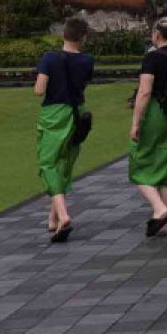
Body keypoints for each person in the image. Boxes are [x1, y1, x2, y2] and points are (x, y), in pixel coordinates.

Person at [34, 17, 94, 243]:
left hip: (54, 112)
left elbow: (39, 90)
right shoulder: (88, 60)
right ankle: (54, 218)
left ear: (63, 35)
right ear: (83, 37)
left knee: (48, 162)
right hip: (77, 111)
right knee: (65, 162)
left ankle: (65, 215)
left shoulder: (50, 58)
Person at [129, 18, 167, 238]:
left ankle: (160, 208)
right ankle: (160, 221)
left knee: (139, 162)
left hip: (157, 112)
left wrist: (136, 122)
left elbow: (144, 92)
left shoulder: (153, 58)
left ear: (157, 34)